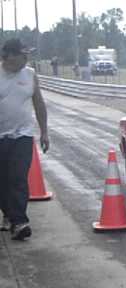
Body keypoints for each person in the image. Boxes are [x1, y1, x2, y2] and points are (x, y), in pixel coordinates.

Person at [0, 38, 49, 240]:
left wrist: (44, 132)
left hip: (22, 135)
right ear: (9, 56)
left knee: (18, 178)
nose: (26, 58)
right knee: (2, 181)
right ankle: (10, 216)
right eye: (23, 54)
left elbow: (39, 103)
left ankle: (20, 221)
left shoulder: (30, 75)